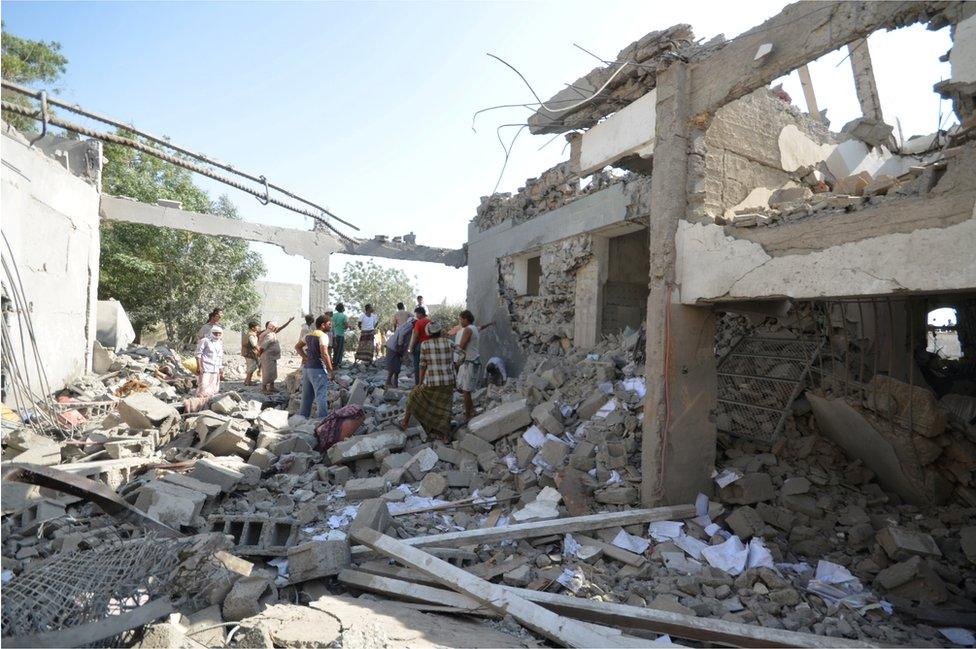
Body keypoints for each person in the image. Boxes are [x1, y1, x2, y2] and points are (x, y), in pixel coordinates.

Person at [403, 321, 455, 441]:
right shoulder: (449, 342)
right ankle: (445, 436)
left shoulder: (425, 344)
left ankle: (405, 423)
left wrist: (419, 384)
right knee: (445, 409)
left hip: (431, 382)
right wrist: (454, 365)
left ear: (428, 333)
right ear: (440, 331)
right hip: (448, 381)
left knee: (413, 397)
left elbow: (422, 366)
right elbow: (462, 354)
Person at [295, 314, 335, 420]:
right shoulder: (323, 336)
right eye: (329, 324)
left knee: (306, 395)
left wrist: (305, 357)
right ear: (323, 325)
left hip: (307, 368)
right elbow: (325, 354)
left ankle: (302, 417)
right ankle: (323, 420)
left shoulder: (308, 335)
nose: (330, 326)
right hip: (318, 369)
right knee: (321, 395)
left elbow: (297, 347)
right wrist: (331, 371)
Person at [454, 310, 481, 422]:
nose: (460, 322)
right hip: (472, 360)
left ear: (466, 319)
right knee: (467, 390)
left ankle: (467, 415)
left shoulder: (468, 330)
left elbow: (461, 347)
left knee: (465, 390)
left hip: (469, 362)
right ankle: (472, 410)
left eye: (461, 319)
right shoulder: (474, 328)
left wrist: (452, 347)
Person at [259, 316, 294, 394]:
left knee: (272, 372)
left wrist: (289, 321)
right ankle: (264, 388)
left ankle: (272, 387)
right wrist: (259, 354)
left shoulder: (272, 333)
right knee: (267, 372)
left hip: (272, 357)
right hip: (267, 357)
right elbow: (262, 346)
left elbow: (281, 328)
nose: (277, 328)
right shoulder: (268, 335)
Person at [386, 310, 416, 388]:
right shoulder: (409, 325)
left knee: (397, 366)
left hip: (397, 347)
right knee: (393, 367)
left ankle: (394, 382)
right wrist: (399, 346)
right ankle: (388, 382)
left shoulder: (408, 325)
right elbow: (402, 334)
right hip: (394, 346)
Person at [195, 324, 224, 398]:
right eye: (215, 333)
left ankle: (209, 401)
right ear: (211, 332)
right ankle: (200, 401)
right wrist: (199, 366)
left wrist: (220, 368)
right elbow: (198, 354)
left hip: (215, 368)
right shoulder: (205, 341)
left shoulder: (220, 343)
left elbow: (220, 356)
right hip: (206, 367)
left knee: (213, 386)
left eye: (219, 333)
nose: (217, 334)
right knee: (203, 385)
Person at [407, 306, 431, 380]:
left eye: (417, 314)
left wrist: (411, 348)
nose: (416, 316)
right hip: (429, 346)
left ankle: (418, 383)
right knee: (428, 365)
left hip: (420, 345)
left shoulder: (418, 322)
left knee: (417, 365)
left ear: (420, 314)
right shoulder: (430, 322)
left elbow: (415, 336)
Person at [242, 321, 261, 386]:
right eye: (257, 326)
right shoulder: (251, 335)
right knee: (251, 367)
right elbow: (254, 344)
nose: (258, 327)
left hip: (250, 353)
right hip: (249, 353)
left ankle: (247, 381)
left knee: (251, 367)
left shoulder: (252, 334)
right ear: (253, 328)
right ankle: (247, 382)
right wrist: (260, 351)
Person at [331, 303, 348, 368]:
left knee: (334, 349)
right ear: (342, 308)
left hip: (333, 334)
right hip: (340, 334)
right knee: (339, 350)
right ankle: (337, 363)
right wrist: (345, 327)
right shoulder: (344, 316)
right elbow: (346, 326)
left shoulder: (333, 315)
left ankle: (332, 362)